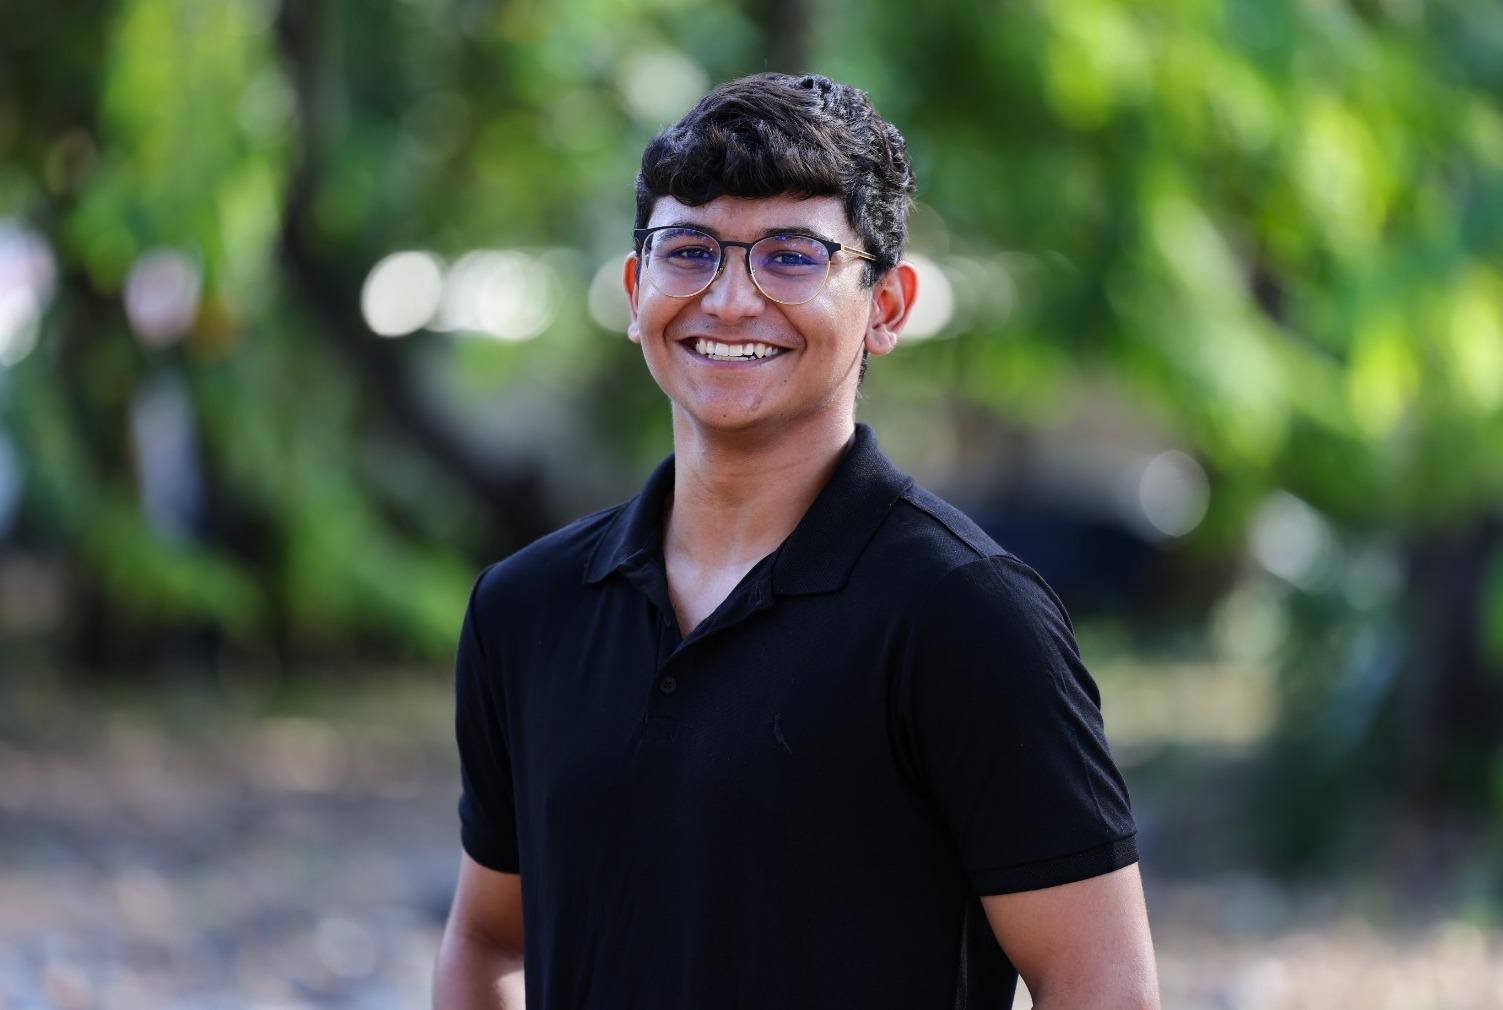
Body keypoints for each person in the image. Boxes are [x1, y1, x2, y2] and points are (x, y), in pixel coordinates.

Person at [433, 72, 1159, 1010]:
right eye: (688, 250)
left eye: (791, 256)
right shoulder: (523, 609)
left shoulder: (968, 617)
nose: (729, 301)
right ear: (634, 287)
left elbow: (1100, 991)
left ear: (886, 306)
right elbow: (488, 939)